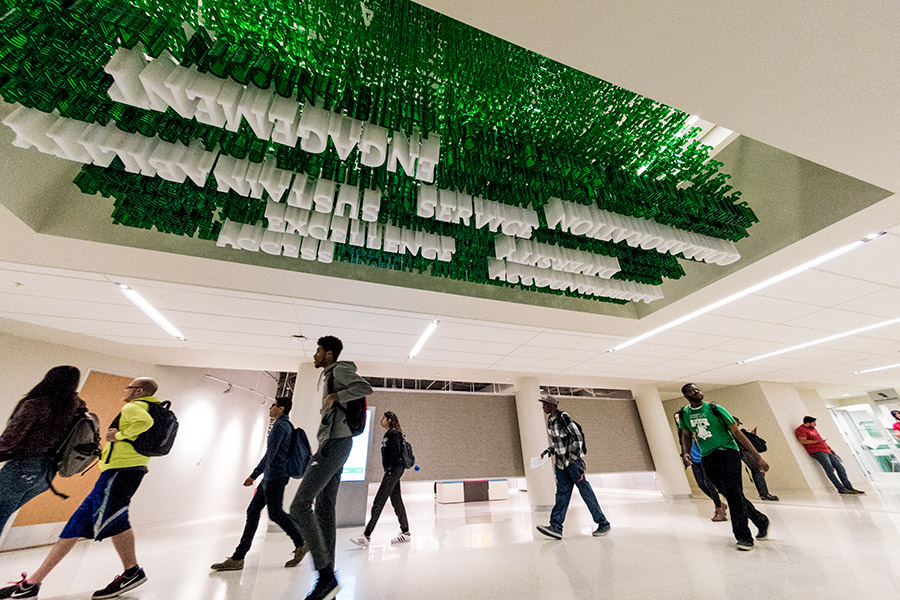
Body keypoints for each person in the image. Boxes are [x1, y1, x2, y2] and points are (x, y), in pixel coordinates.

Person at [0, 377, 161, 600]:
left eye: (129, 387)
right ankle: (32, 584)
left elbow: (145, 424)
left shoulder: (136, 406)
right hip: (119, 471)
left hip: (122, 471)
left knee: (115, 518)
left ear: (139, 390)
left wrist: (119, 435)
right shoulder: (152, 406)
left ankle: (132, 571)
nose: (125, 390)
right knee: (75, 526)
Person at [290, 336, 373, 600]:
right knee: (325, 508)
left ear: (328, 353)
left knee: (300, 505)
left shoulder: (339, 369)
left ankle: (326, 576)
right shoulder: (329, 374)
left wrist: (337, 395)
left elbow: (365, 388)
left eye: (318, 351)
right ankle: (328, 587)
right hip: (333, 442)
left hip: (337, 442)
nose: (314, 355)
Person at [211, 397, 307, 571]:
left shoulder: (280, 426)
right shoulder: (287, 426)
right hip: (273, 476)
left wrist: (254, 474)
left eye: (273, 405)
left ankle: (301, 541)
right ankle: (238, 557)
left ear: (281, 409)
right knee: (255, 510)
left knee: (275, 513)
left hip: (274, 477)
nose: (270, 408)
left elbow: (270, 455)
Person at [677, 383, 769, 551]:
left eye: (698, 389)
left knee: (733, 494)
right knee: (729, 493)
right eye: (692, 390)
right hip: (707, 457)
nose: (697, 391)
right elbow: (685, 434)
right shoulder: (684, 413)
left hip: (728, 453)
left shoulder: (715, 408)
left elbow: (737, 432)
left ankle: (743, 537)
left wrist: (758, 458)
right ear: (686, 395)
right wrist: (685, 452)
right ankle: (761, 520)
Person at [0, 366, 86, 534]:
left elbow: (10, 439)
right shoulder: (77, 406)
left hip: (22, 469)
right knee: (3, 514)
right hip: (47, 473)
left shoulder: (37, 404)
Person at [535, 395, 611, 540]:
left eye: (544, 404)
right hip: (560, 465)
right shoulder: (550, 422)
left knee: (585, 492)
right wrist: (549, 451)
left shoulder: (564, 417)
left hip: (573, 464)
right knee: (561, 495)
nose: (543, 407)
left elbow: (577, 437)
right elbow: (558, 443)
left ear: (551, 405)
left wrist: (573, 456)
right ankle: (556, 527)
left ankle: (603, 523)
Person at [350, 411, 410, 547]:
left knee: (379, 501)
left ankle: (367, 535)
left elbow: (395, 454)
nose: (381, 420)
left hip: (393, 470)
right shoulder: (389, 433)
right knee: (396, 500)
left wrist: (389, 471)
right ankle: (405, 532)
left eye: (383, 418)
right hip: (393, 470)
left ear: (389, 420)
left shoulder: (394, 433)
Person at [675, 410, 726, 521]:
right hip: (694, 461)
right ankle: (720, 503)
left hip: (705, 459)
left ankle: (719, 510)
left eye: (679, 418)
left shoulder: (696, 429)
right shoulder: (681, 434)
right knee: (701, 484)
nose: (678, 421)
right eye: (676, 419)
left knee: (709, 484)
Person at [795, 416, 865, 495]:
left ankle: (849, 487)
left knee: (840, 468)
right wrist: (816, 441)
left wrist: (830, 448)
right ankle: (840, 488)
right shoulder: (800, 430)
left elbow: (821, 440)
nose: (815, 424)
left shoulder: (813, 429)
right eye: (814, 423)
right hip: (817, 452)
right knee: (830, 470)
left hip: (826, 450)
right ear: (808, 422)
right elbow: (803, 441)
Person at [734, 418, 779, 501]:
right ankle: (764, 494)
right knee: (758, 470)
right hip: (741, 452)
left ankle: (763, 494)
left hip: (738, 452)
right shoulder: (736, 432)